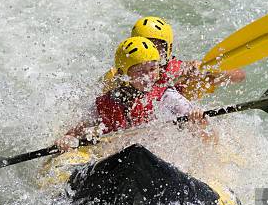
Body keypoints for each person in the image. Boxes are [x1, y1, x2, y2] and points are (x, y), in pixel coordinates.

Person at [56, 36, 217, 152]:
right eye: (140, 72)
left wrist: (199, 121)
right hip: (118, 159)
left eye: (152, 69)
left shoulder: (166, 97)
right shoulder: (106, 102)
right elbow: (75, 131)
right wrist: (67, 139)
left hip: (155, 158)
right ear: (123, 74)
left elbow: (210, 139)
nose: (148, 77)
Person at [102, 16, 246, 100]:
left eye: (156, 47)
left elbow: (238, 75)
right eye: (145, 45)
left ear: (168, 49)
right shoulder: (119, 75)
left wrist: (205, 68)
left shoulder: (180, 71)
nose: (150, 53)